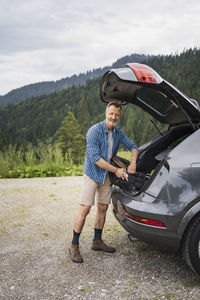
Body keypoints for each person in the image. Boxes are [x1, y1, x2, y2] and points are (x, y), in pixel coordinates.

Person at [68, 102, 138, 263]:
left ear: (119, 116)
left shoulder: (118, 132)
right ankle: (74, 245)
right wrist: (116, 170)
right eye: (111, 113)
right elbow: (95, 159)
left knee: (103, 207)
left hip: (107, 175)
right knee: (85, 208)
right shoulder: (94, 131)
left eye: (117, 115)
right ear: (106, 112)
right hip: (93, 173)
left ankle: (97, 241)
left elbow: (133, 147)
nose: (114, 117)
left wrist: (133, 163)